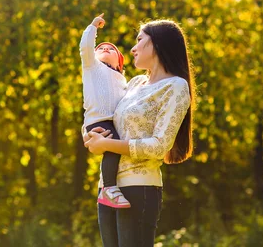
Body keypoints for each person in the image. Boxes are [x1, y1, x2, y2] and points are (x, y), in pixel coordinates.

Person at [83, 19, 196, 247]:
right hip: (108, 187)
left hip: (139, 187)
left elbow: (158, 146)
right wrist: (90, 138)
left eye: (139, 40)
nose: (133, 48)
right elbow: (105, 115)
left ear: (157, 44)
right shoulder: (134, 83)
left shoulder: (175, 86)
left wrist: (107, 146)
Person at [80, 13, 130, 209]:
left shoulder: (123, 80)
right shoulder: (93, 67)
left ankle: (109, 187)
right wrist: (93, 27)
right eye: (101, 48)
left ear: (120, 63)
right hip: (98, 120)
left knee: (115, 146)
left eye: (112, 49)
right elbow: (85, 49)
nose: (106, 48)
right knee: (113, 146)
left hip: (113, 121)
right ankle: (109, 188)